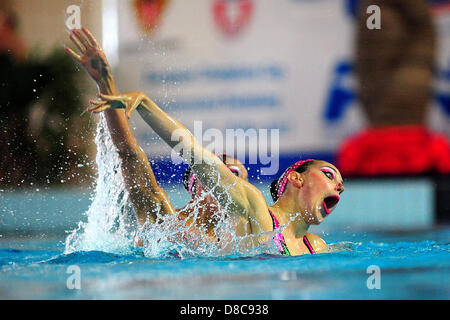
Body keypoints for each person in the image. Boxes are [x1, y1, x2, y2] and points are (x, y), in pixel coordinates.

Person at [66, 28, 248, 245]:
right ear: (197, 184)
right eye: (227, 173)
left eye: (237, 178)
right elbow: (128, 153)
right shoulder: (163, 220)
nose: (231, 184)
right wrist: (106, 84)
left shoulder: (227, 245)